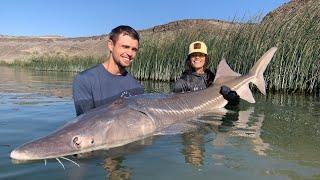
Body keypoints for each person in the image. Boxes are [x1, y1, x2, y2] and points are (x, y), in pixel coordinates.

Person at [72, 25, 144, 116]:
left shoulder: (137, 87)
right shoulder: (84, 80)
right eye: (125, 47)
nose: (130, 53)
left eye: (134, 49)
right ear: (111, 45)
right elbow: (84, 124)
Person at [172, 41, 239, 105]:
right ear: (189, 59)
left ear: (205, 58)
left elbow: (232, 105)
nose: (197, 57)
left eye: (201, 55)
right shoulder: (181, 83)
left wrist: (232, 98)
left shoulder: (212, 77)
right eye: (193, 55)